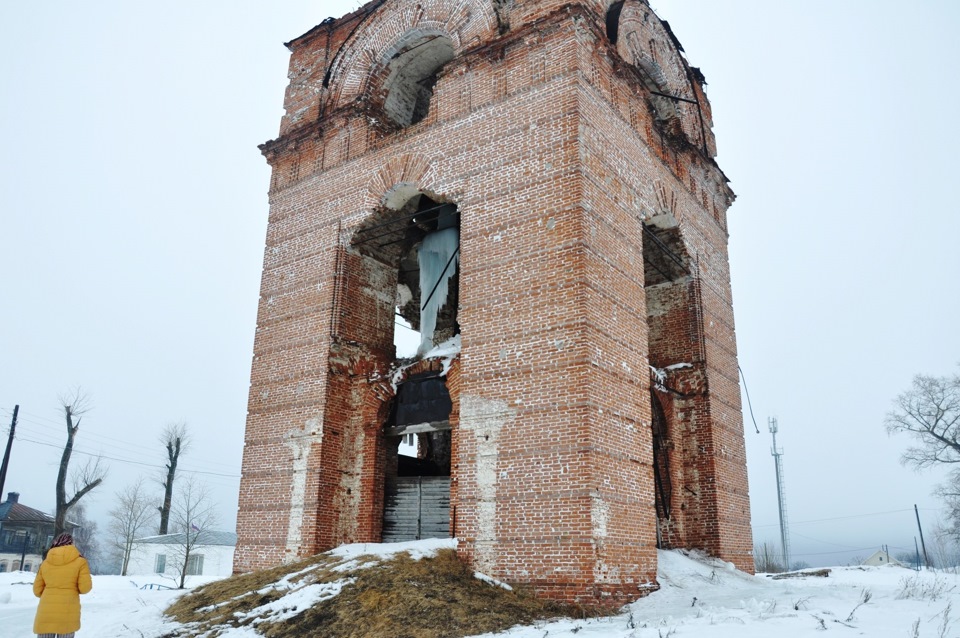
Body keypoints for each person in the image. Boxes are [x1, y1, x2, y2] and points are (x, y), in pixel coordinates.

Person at [32, 533, 92, 638]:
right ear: (71, 543)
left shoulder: (46, 563)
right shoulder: (80, 562)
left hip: (46, 613)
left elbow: (37, 591)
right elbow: (85, 588)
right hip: (67, 613)